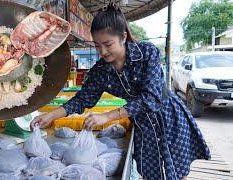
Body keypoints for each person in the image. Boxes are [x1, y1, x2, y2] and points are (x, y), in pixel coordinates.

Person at [30, 3, 210, 180]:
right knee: (150, 172)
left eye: (108, 44)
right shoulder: (100, 71)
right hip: (143, 125)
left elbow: (152, 97)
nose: (103, 51)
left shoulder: (146, 53)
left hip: (169, 117)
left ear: (123, 37)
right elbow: (83, 99)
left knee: (178, 171)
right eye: (97, 45)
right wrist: (51, 115)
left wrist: (108, 116)